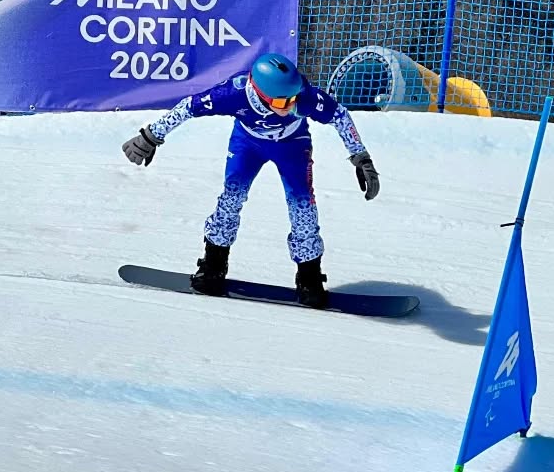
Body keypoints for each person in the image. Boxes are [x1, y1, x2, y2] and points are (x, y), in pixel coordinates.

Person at [121, 53, 380, 309]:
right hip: (248, 145)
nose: (291, 106)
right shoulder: (233, 94)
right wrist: (150, 136)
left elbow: (340, 115)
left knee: (303, 207)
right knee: (231, 198)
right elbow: (189, 107)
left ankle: (309, 276)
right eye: (282, 103)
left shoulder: (304, 97)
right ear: (260, 94)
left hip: (292, 146)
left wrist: (360, 156)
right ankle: (213, 265)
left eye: (294, 99)